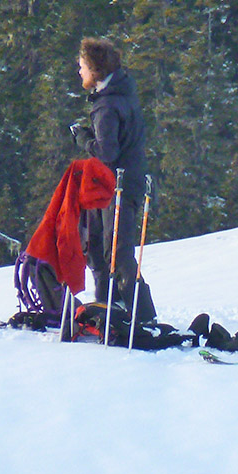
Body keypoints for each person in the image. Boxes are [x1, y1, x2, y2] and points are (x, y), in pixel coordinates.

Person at [70, 37, 157, 324]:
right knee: (107, 249)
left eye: (82, 66)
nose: (79, 71)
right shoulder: (122, 92)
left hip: (118, 185)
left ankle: (140, 318)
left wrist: (84, 139)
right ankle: (114, 310)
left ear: (95, 70)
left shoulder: (107, 105)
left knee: (115, 253)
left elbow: (108, 152)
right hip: (127, 182)